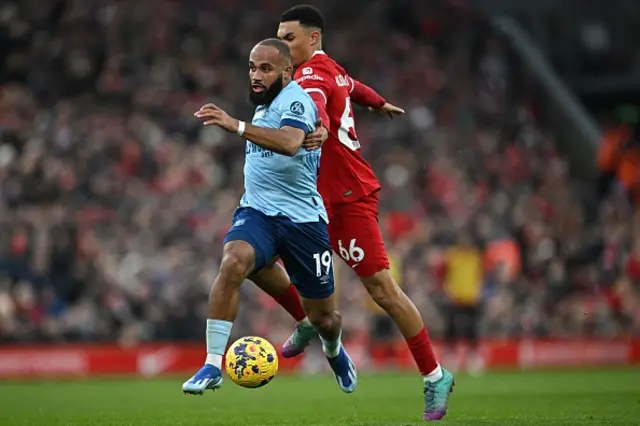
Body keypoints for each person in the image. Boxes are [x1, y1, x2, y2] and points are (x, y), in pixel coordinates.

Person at [247, 5, 454, 421]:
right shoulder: (328, 67)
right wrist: (377, 102)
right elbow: (351, 84)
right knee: (258, 258)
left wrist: (318, 125)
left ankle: (435, 376)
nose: (281, 44)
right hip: (312, 201)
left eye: (289, 38)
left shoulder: (308, 77)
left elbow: (317, 102)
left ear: (313, 39)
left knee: (382, 290)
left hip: (347, 200)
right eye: (278, 36)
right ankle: (310, 319)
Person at [182, 38, 357, 395]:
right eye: (252, 67)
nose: (256, 75)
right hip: (258, 211)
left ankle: (333, 349)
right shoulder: (263, 105)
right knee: (234, 263)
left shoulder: (295, 100)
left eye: (265, 69)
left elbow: (291, 142)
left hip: (303, 222)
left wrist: (236, 126)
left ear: (286, 72)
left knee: (326, 318)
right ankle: (212, 364)